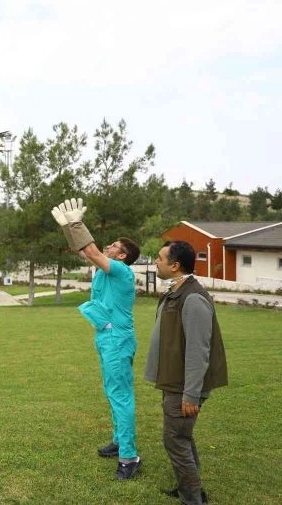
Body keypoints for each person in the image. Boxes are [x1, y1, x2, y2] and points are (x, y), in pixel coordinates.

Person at [51, 198, 142, 480]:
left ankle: (129, 456)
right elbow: (86, 252)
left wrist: (78, 223)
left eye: (115, 245)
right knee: (112, 392)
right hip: (106, 337)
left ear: (123, 256)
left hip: (117, 339)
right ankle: (118, 441)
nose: (109, 246)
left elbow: (90, 249)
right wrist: (69, 227)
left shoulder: (122, 271)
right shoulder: (105, 268)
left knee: (121, 396)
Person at [145, 241, 228, 504]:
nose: (156, 262)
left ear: (175, 265)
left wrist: (191, 394)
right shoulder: (176, 292)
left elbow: (198, 349)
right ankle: (189, 488)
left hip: (185, 385)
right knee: (182, 436)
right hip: (174, 380)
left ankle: (192, 498)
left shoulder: (192, 297)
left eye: (160, 258)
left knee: (175, 439)